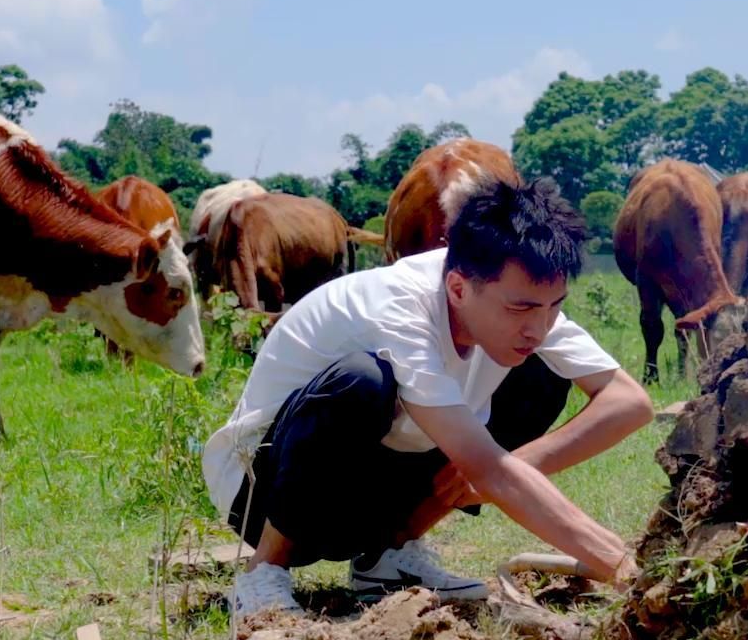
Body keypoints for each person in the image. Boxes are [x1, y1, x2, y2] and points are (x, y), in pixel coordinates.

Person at [199, 179, 655, 616]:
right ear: (458, 287)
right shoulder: (399, 307)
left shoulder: (518, 300)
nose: (539, 326)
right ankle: (264, 572)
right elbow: (488, 465)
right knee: (364, 380)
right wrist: (620, 565)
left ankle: (389, 557)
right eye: (521, 309)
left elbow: (629, 402)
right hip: (265, 493)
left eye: (554, 306)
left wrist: (520, 464)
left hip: (369, 487)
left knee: (541, 371)